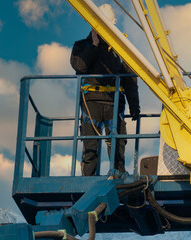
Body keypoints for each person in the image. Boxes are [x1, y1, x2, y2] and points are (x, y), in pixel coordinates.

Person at [70, 4, 140, 177]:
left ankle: (119, 176)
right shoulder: (82, 47)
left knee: (117, 146)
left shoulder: (120, 51)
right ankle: (88, 180)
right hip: (91, 101)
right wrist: (94, 45)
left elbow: (130, 80)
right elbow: (80, 65)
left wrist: (135, 106)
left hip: (114, 101)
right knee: (90, 146)